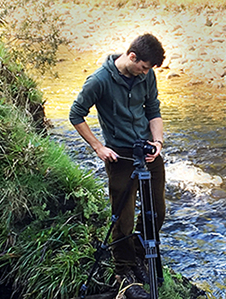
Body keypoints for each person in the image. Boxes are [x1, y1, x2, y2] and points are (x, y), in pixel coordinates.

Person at [69, 33, 166, 299]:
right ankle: (124, 271)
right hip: (121, 156)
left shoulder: (146, 76)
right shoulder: (99, 81)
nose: (145, 73)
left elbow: (153, 110)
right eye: (144, 67)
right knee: (122, 217)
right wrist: (99, 147)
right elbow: (75, 114)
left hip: (148, 151)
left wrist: (157, 142)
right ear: (132, 57)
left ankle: (139, 252)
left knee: (156, 211)